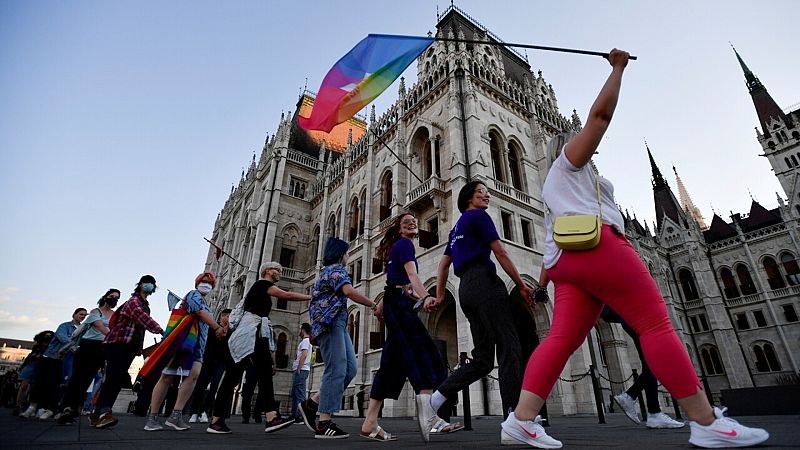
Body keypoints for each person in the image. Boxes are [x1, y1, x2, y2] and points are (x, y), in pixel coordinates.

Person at [500, 49, 769, 449]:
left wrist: (543, 280)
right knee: (655, 325)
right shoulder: (570, 163)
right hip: (599, 248)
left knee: (558, 339)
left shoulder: (553, 187)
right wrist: (618, 69)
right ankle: (706, 420)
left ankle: (520, 420)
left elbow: (548, 241)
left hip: (565, 262)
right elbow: (600, 118)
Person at [427, 181, 533, 421]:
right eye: (480, 192)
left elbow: (443, 265)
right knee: (510, 346)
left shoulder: (455, 229)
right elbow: (500, 252)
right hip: (485, 282)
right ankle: (515, 416)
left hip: (466, 289)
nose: (486, 195)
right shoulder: (479, 217)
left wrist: (441, 295)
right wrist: (522, 285)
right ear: (468, 199)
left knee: (483, 359)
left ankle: (436, 398)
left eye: (486, 192)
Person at [360, 212, 461, 442]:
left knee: (390, 364)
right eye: (407, 222)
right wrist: (426, 297)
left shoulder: (398, 246)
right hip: (399, 307)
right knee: (424, 352)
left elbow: (399, 284)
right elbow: (412, 275)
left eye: (414, 221)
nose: (413, 223)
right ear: (399, 230)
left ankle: (369, 422)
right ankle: (430, 416)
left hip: (397, 303)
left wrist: (417, 296)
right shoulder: (405, 244)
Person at [206, 262, 311, 434]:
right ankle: (219, 420)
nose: (280, 272)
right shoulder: (262, 284)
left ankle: (269, 417)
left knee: (258, 373)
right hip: (250, 334)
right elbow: (288, 295)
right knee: (236, 375)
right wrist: (311, 297)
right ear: (267, 271)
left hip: (255, 334)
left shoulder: (260, 288)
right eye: (277, 269)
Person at [299, 238, 377, 439]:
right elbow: (349, 291)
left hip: (338, 323)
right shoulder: (336, 270)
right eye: (347, 253)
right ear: (341, 254)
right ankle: (324, 422)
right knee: (336, 369)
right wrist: (374, 305)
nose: (349, 256)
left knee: (349, 369)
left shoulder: (330, 271)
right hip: (330, 323)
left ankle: (312, 403)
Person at [144, 272, 225, 431]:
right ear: (197, 283)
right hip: (181, 342)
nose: (206, 284)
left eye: (209, 282)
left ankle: (176, 415)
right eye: (203, 281)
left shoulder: (205, 302)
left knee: (193, 376)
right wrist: (217, 327)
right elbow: (199, 313)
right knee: (167, 376)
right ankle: (152, 418)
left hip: (196, 345)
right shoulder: (193, 295)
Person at [93, 275, 164, 429]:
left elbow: (140, 329)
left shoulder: (146, 304)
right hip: (118, 343)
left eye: (152, 284)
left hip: (130, 346)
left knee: (116, 378)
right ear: (140, 285)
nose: (150, 286)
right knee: (113, 378)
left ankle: (97, 412)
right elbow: (142, 318)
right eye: (147, 283)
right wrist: (161, 330)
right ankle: (104, 413)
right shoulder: (134, 301)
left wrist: (139, 347)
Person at [603, 306, 683, 429]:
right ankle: (637, 401)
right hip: (638, 316)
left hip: (633, 316)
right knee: (654, 362)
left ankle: (651, 410)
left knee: (651, 363)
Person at [56, 289, 120, 424]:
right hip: (87, 346)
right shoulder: (96, 312)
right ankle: (66, 408)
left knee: (88, 379)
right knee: (77, 378)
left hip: (102, 348)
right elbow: (100, 326)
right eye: (111, 296)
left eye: (116, 297)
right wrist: (113, 337)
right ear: (105, 297)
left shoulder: (114, 314)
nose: (114, 299)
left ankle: (74, 410)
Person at [21, 308, 87, 420]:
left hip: (64, 360)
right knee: (40, 382)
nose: (83, 316)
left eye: (85, 315)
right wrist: (74, 346)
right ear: (74, 314)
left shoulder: (82, 330)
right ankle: (32, 407)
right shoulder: (64, 326)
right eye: (81, 314)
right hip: (51, 357)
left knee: (53, 384)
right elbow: (62, 337)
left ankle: (43, 407)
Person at [188, 308, 232, 424]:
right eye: (227, 316)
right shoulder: (213, 327)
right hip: (208, 360)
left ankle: (204, 412)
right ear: (222, 316)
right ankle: (194, 412)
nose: (229, 319)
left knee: (214, 388)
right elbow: (214, 339)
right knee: (201, 386)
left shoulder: (231, 331)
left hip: (221, 363)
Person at [15, 331, 52, 417]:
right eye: (46, 335)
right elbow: (31, 356)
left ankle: (30, 406)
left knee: (34, 387)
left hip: (42, 366)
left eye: (50, 336)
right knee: (23, 386)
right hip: (32, 364)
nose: (48, 337)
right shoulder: (37, 345)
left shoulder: (51, 346)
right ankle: (18, 405)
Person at [288, 322, 312, 423]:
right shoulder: (305, 341)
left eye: (300, 329)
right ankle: (294, 415)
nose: (299, 331)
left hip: (302, 370)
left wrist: (299, 368)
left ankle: (301, 416)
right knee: (295, 393)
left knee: (300, 394)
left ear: (303, 330)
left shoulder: (306, 341)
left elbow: (304, 355)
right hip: (300, 369)